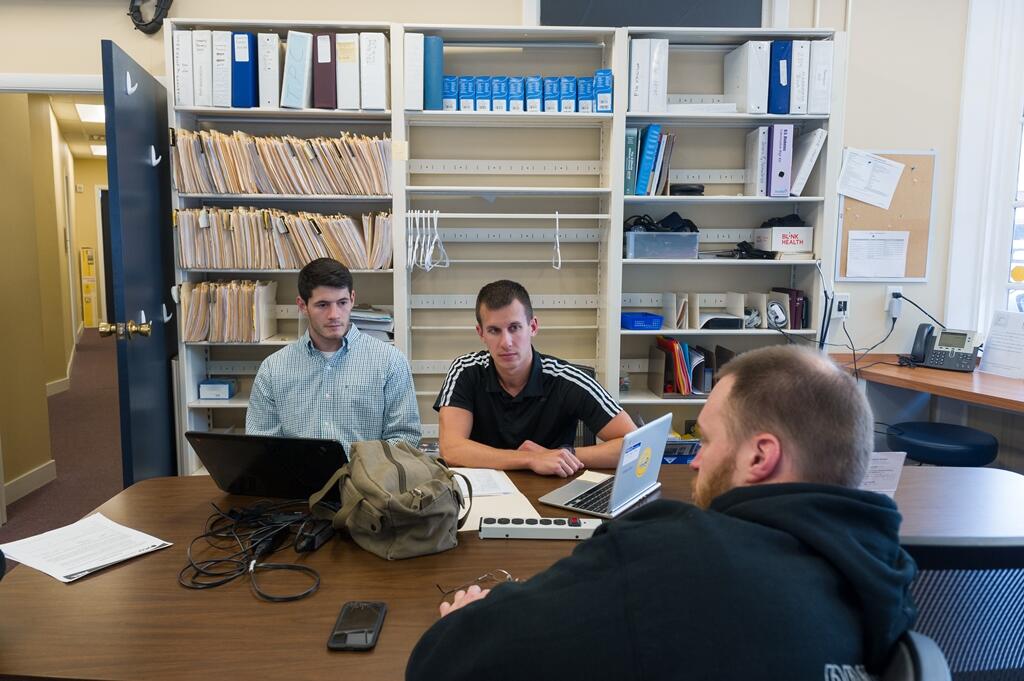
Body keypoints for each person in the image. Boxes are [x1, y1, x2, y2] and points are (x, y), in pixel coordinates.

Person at [408, 345, 918, 681]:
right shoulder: (887, 577)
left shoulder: (673, 557)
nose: (694, 457)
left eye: (708, 440)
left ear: (760, 456)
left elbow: (442, 666)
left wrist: (464, 624)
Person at [434, 280, 636, 477]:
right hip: (484, 496)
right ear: (481, 333)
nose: (506, 342)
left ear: (533, 326)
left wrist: (564, 455)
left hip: (552, 494)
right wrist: (530, 459)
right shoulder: (465, 370)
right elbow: (451, 449)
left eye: (514, 327)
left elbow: (636, 444)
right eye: (494, 330)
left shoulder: (567, 379)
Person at [247, 258, 420, 451]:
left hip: (367, 479)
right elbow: (261, 443)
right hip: (299, 479)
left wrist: (365, 470)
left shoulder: (390, 361)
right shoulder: (273, 368)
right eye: (323, 305)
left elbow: (405, 437)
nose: (334, 315)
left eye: (342, 302)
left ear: (352, 298)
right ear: (302, 305)